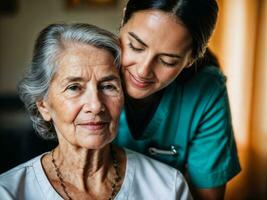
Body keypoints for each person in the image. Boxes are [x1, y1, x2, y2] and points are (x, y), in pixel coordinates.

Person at [0, 23, 192, 200]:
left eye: (108, 86)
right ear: (43, 105)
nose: (96, 105)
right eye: (74, 87)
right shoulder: (9, 192)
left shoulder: (168, 187)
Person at [113, 0, 241, 199]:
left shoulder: (206, 92)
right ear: (123, 21)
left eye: (167, 61)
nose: (142, 70)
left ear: (191, 60)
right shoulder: (87, 67)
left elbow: (206, 197)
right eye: (135, 47)